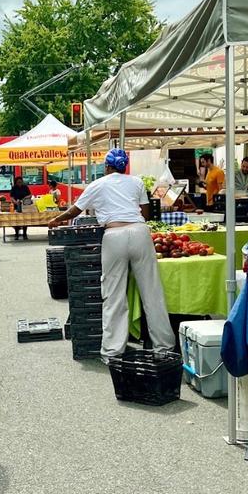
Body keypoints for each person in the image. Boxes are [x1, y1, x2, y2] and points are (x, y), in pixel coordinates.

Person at [49, 148, 175, 362]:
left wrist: (54, 221)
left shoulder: (97, 184)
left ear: (107, 166)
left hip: (114, 235)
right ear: (124, 166)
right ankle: (164, 349)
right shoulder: (136, 182)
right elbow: (145, 212)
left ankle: (113, 352)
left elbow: (74, 211)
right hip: (139, 233)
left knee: (114, 295)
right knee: (152, 293)